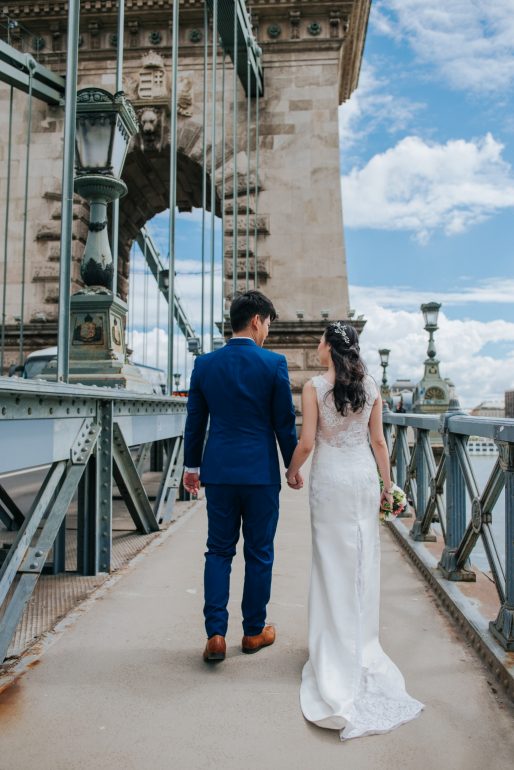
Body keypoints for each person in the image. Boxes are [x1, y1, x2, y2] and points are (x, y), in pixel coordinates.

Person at [286, 321, 423, 740]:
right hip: (362, 478)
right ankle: (362, 644)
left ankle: (332, 649)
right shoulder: (372, 386)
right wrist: (388, 485)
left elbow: (307, 442)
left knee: (331, 563)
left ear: (328, 346)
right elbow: (379, 442)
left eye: (320, 340)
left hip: (330, 480)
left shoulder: (313, 387)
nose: (316, 344)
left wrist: (292, 470)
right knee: (363, 561)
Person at [183, 290, 302, 663]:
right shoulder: (273, 364)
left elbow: (195, 421)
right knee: (259, 553)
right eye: (268, 323)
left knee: (218, 552)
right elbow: (284, 422)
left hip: (218, 472)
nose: (267, 331)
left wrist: (192, 467)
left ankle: (215, 634)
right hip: (259, 475)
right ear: (256, 321)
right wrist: (292, 465)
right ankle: (253, 632)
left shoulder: (204, 364)